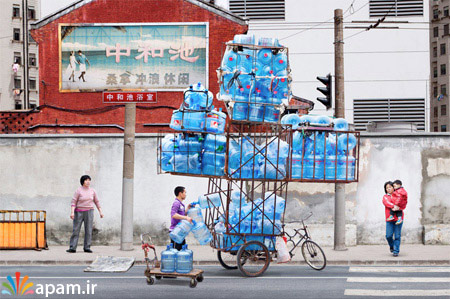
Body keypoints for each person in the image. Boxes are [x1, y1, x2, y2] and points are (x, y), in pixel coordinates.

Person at [67, 175, 104, 253]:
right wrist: (72, 212)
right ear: (82, 181)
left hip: (89, 211)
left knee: (88, 230)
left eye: (89, 180)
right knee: (76, 230)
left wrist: (100, 212)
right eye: (86, 180)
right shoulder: (78, 190)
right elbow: (73, 202)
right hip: (78, 212)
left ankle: (87, 247)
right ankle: (72, 247)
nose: (88, 182)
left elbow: (96, 202)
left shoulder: (92, 191)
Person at [382, 181, 405, 257]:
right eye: (387, 188)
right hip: (389, 219)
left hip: (398, 219)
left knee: (397, 236)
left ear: (393, 187)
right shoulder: (385, 196)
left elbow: (402, 202)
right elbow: (386, 203)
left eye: (390, 187)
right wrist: (394, 206)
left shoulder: (398, 195)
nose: (388, 189)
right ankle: (392, 246)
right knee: (388, 236)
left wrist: (399, 205)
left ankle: (396, 251)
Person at [169, 186, 192, 251]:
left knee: (182, 251)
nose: (185, 194)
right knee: (175, 252)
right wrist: (186, 217)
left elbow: (182, 215)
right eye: (185, 192)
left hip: (180, 231)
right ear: (180, 193)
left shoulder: (181, 204)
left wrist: (187, 208)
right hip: (175, 232)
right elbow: (173, 214)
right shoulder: (176, 203)